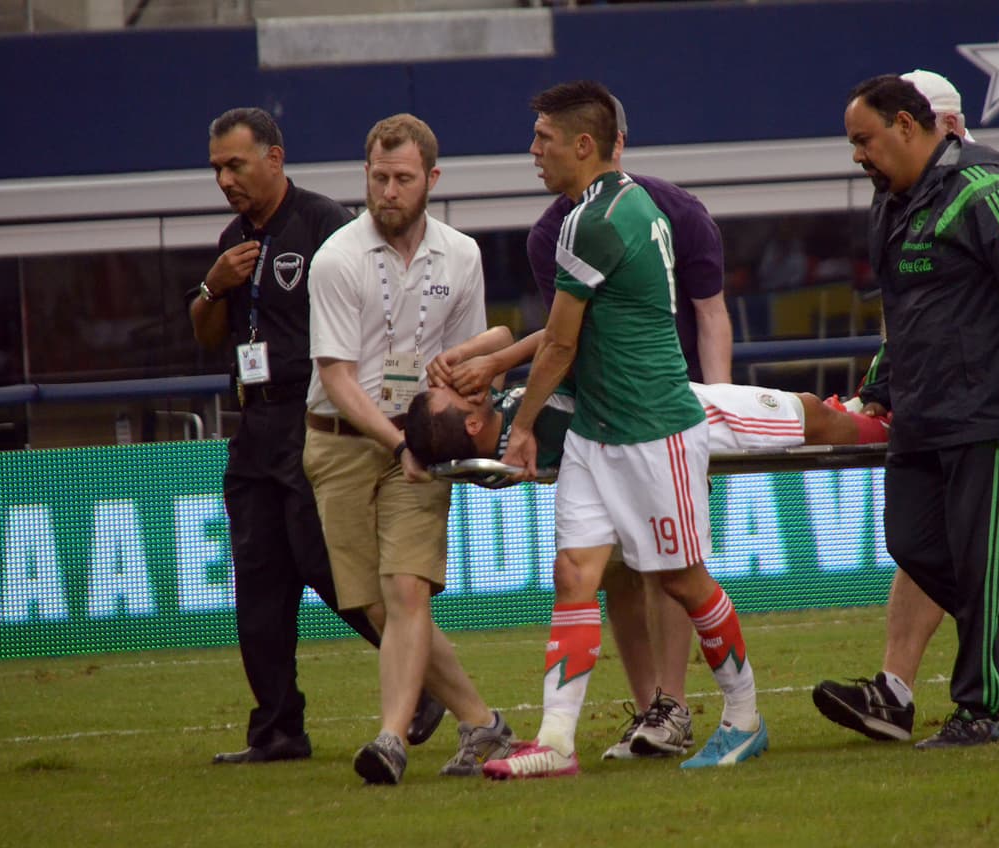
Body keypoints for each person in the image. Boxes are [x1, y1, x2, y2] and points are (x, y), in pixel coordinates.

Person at [813, 71, 999, 740]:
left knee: (984, 562)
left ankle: (979, 714)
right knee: (911, 542)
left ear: (906, 126)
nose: (857, 155)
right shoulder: (890, 202)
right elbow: (904, 313)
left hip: (988, 407)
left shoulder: (987, 185)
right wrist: (878, 390)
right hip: (921, 413)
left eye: (863, 139)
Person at [481, 80, 767, 779]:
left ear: (584, 144)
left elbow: (560, 345)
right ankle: (555, 741)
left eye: (543, 139)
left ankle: (745, 716)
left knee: (683, 580)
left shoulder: (594, 221)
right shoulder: (626, 204)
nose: (533, 151)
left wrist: (520, 428)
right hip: (601, 432)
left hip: (651, 429)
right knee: (575, 573)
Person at [301, 113, 512, 785]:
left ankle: (390, 739)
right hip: (341, 440)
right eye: (379, 177)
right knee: (373, 602)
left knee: (406, 589)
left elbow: (477, 357)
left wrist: (470, 400)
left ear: (431, 179)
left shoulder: (462, 255)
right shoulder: (336, 257)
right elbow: (335, 376)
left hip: (420, 440)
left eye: (403, 178)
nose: (389, 191)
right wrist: (396, 444)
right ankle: (483, 724)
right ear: (365, 174)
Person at [190, 107, 384, 765]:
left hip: (311, 417)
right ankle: (277, 729)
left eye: (235, 164)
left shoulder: (325, 224)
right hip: (253, 423)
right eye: (217, 167)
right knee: (259, 578)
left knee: (324, 563)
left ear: (274, 159)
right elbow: (208, 334)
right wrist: (211, 289)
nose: (225, 179)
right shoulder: (231, 239)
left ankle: (423, 674)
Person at [404, 328, 889, 466]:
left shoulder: (496, 420)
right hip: (677, 422)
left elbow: (502, 334)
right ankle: (889, 431)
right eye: (450, 396)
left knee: (811, 409)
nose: (455, 387)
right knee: (807, 416)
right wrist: (497, 363)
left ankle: (861, 410)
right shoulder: (525, 438)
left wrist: (469, 357)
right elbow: (562, 343)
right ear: (470, 425)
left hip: (658, 398)